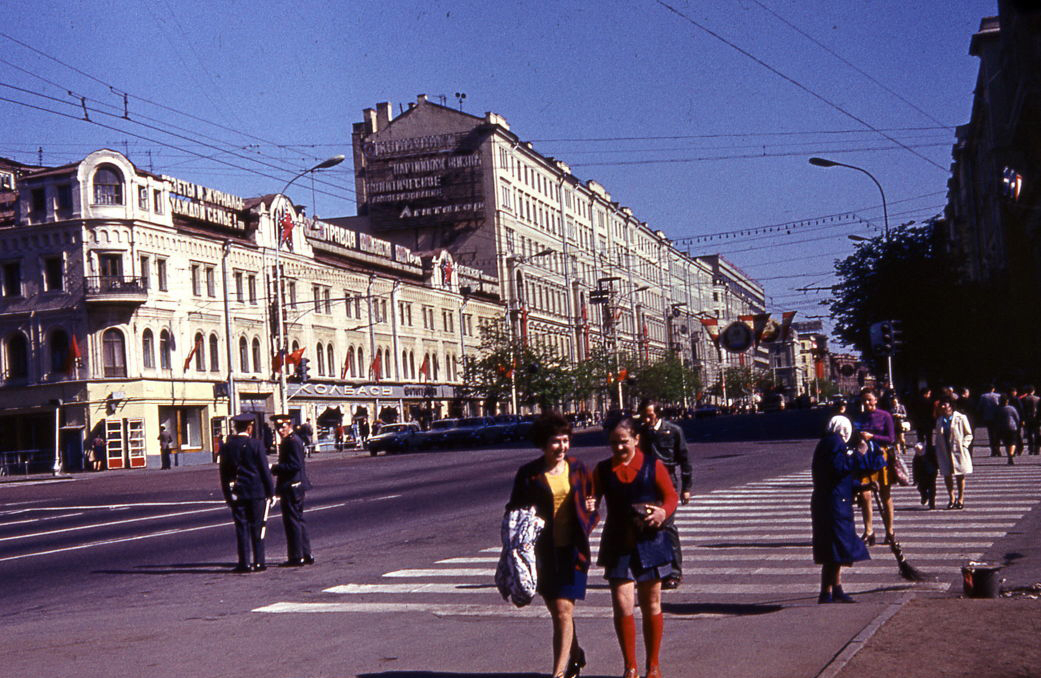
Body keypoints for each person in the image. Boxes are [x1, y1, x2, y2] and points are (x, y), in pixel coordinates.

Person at [506, 412, 598, 678]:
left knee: (562, 610)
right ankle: (576, 653)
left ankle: (558, 674)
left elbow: (591, 501)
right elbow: (514, 509)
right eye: (556, 441)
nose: (562, 447)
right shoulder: (529, 474)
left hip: (573, 550)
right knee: (558, 611)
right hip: (542, 553)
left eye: (566, 440)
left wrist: (590, 510)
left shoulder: (578, 468)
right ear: (543, 444)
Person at [587, 419, 678, 678]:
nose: (618, 447)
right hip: (618, 542)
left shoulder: (653, 466)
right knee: (622, 605)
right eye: (614, 442)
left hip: (650, 541)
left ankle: (653, 665)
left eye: (624, 441)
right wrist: (589, 509)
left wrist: (662, 512)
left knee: (651, 603)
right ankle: (630, 667)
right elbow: (592, 500)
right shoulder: (603, 470)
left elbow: (671, 496)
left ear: (636, 439)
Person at [811, 423, 870, 603]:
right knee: (835, 548)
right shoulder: (834, 443)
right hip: (834, 504)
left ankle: (834, 589)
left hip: (833, 501)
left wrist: (861, 486)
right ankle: (826, 592)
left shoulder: (829, 441)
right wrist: (859, 454)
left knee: (836, 548)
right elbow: (839, 469)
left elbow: (837, 475)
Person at [636, 399, 691, 590]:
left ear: (657, 413)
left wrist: (686, 487)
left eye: (649, 414)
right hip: (645, 482)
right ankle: (653, 571)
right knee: (648, 526)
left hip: (667, 481)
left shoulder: (673, 430)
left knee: (668, 527)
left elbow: (684, 459)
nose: (646, 418)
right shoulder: (640, 432)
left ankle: (675, 573)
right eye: (643, 414)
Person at [219, 413, 275, 573]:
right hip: (256, 492)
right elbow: (264, 471)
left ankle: (244, 563)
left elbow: (224, 474)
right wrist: (271, 492)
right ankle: (259, 562)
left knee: (241, 527)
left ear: (236, 427)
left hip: (237, 493)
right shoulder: (256, 445)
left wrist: (227, 496)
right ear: (249, 427)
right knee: (257, 527)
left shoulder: (227, 446)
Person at [853, 389, 896, 546]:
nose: (867, 403)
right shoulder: (861, 417)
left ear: (876, 400)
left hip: (881, 457)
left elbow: (891, 438)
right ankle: (869, 530)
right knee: (865, 495)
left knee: (885, 496)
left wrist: (873, 437)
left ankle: (890, 531)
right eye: (864, 400)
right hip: (865, 458)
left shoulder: (885, 416)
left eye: (869, 400)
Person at [271, 414, 315, 566]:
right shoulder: (292, 440)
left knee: (292, 522)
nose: (279, 430)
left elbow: (294, 465)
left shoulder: (292, 441)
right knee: (298, 520)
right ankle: (306, 553)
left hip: (292, 486)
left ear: (288, 425)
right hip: (295, 486)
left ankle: (296, 557)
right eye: (277, 428)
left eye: (282, 427)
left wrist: (274, 468)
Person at [933, 396, 973, 509]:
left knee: (960, 475)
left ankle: (960, 498)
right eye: (942, 404)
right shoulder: (940, 420)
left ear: (951, 406)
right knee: (947, 475)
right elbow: (938, 436)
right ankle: (951, 498)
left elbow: (968, 434)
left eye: (945, 404)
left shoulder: (961, 418)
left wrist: (964, 445)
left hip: (958, 450)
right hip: (944, 451)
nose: (943, 406)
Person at [977, 384, 1002, 457]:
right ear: (993, 389)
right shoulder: (998, 396)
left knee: (991, 434)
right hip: (997, 417)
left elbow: (980, 407)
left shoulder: (983, 396)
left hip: (988, 416)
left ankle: (993, 450)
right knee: (997, 434)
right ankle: (998, 448)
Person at [996, 395, 1021, 464]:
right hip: (1012, 427)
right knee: (1013, 442)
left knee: (1006, 443)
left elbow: (996, 419)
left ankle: (1009, 456)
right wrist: (1018, 424)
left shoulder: (998, 409)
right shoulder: (1012, 408)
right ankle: (1011, 454)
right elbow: (1017, 418)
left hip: (1002, 428)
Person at [1019, 385, 1040, 455]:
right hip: (1037, 419)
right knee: (1037, 434)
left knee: (1029, 435)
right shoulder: (1038, 399)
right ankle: (1037, 449)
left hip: (1027, 418)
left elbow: (1022, 410)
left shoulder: (1023, 399)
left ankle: (1030, 449)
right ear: (1033, 391)